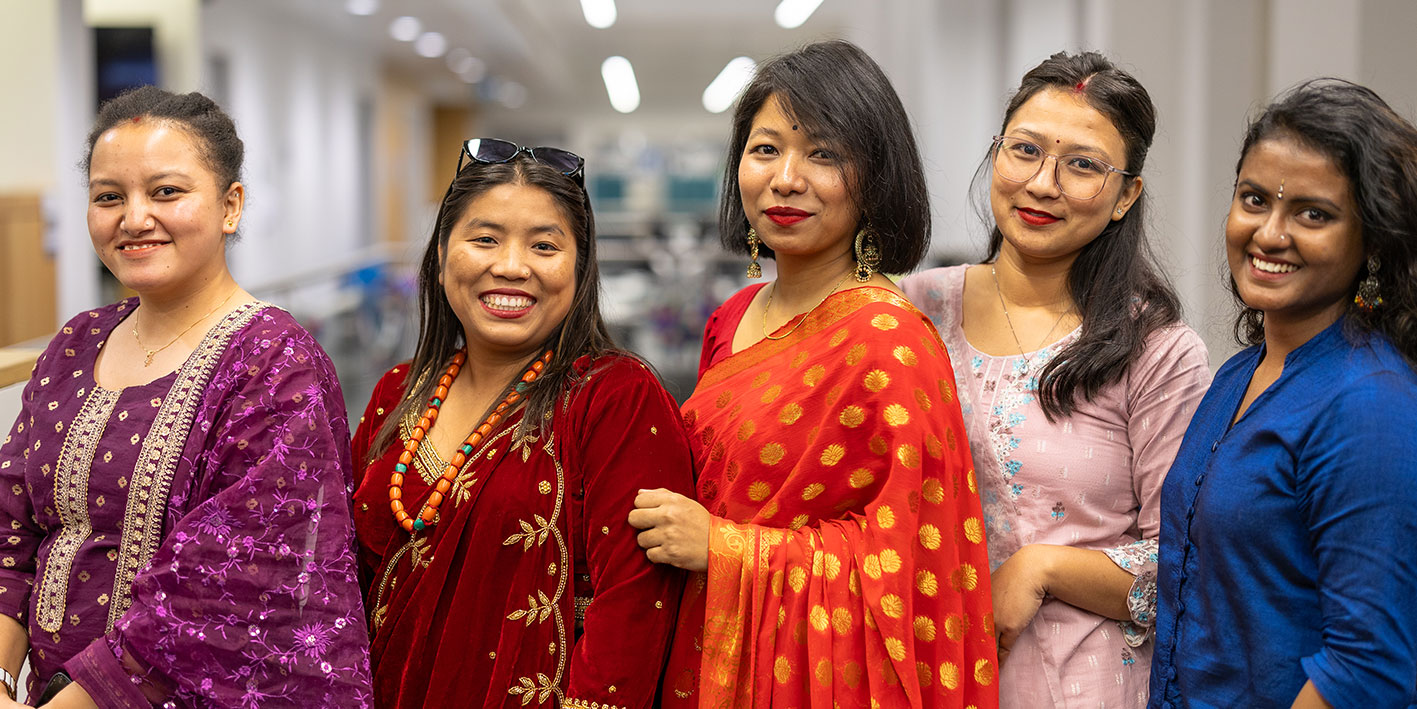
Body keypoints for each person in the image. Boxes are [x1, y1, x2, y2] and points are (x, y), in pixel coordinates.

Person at [630, 40, 997, 708]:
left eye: (822, 153)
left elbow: (911, 577)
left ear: (876, 177)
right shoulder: (731, 316)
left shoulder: (890, 344)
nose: (785, 178)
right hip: (697, 655)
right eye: (765, 148)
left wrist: (725, 548)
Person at [0, 86, 372, 706]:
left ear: (231, 206)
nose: (134, 218)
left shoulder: (275, 364)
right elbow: (10, 529)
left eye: (166, 191)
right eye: (108, 197)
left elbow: (229, 590)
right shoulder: (76, 343)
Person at [899, 52, 1210, 708]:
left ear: (1126, 192)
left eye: (1082, 164)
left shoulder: (1155, 350)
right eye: (1025, 150)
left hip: (1083, 688)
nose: (1042, 183)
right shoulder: (912, 310)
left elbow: (1192, 566)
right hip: (923, 674)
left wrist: (1042, 568)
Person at [351, 138, 694, 707]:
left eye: (544, 245)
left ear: (580, 268)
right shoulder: (397, 393)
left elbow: (633, 610)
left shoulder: (615, 399)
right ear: (441, 256)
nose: (511, 266)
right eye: (484, 239)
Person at [1149, 79, 1417, 708]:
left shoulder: (1369, 404)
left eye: (1312, 213)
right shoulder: (1237, 378)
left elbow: (1366, 668)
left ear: (1373, 240)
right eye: (1253, 199)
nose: (1268, 233)